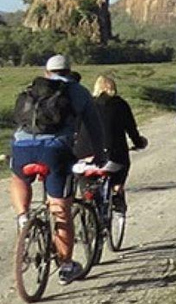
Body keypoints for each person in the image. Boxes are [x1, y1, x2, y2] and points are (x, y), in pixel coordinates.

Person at [9, 54, 107, 285]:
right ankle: (66, 266)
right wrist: (100, 154)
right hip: (55, 151)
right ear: (69, 70)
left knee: (18, 177)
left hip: (22, 146)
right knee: (61, 208)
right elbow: (94, 126)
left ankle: (23, 217)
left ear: (47, 71)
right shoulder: (78, 91)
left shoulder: (32, 88)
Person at [73, 75, 148, 213]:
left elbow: (75, 131)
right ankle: (117, 190)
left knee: (85, 185)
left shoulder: (85, 104)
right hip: (111, 159)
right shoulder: (120, 104)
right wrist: (139, 143)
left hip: (83, 158)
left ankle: (86, 207)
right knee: (122, 165)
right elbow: (131, 130)